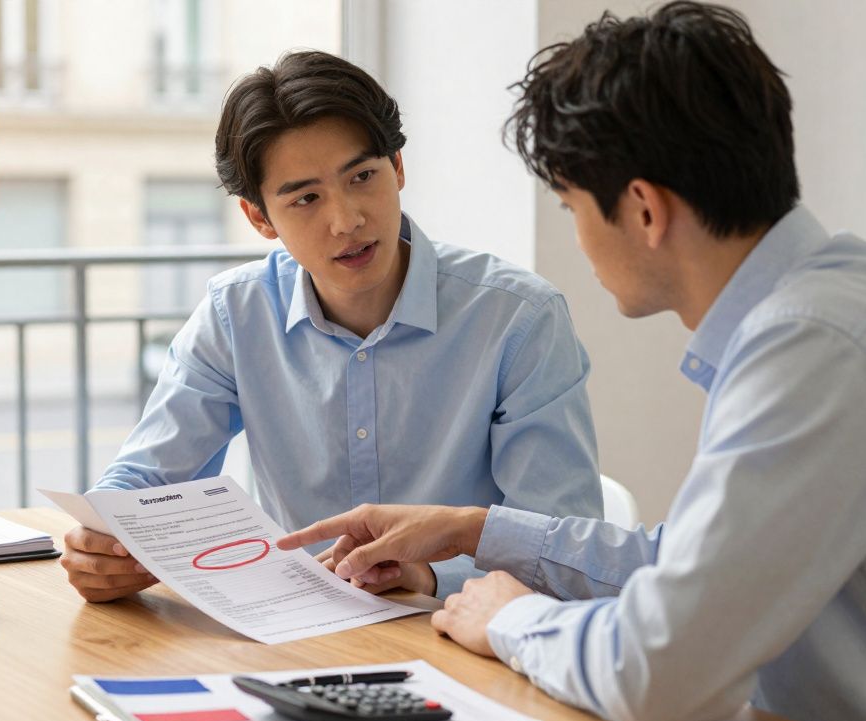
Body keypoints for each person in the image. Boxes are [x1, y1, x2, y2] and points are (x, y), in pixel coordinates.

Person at [277, 3, 866, 721]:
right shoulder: (834, 300)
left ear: (644, 211)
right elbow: (692, 563)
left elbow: (658, 674)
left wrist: (512, 618)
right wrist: (475, 530)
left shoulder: (815, 349)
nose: (576, 236)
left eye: (569, 205)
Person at [60, 50, 602, 604]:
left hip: (465, 629)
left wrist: (432, 576)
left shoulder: (518, 319)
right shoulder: (236, 315)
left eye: (362, 176)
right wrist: (102, 542)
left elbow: (563, 544)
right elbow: (145, 481)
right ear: (260, 218)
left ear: (397, 168)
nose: (347, 221)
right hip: (299, 630)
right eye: (306, 198)